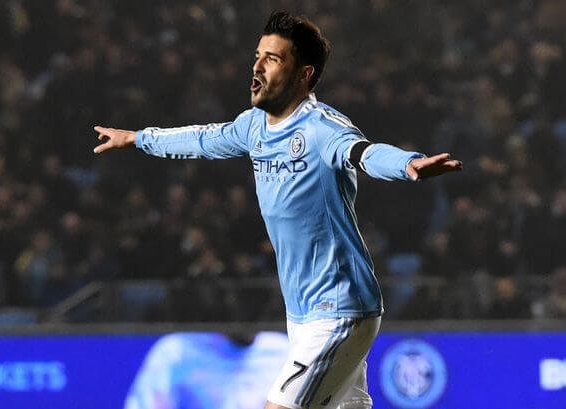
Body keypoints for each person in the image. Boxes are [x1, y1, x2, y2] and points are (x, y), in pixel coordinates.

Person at [93, 11, 462, 409]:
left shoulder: (322, 128)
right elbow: (201, 138)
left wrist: (408, 164)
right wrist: (137, 138)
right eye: (258, 56)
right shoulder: (253, 127)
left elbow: (363, 153)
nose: (257, 66)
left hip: (338, 307)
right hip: (302, 313)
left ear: (303, 74)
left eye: (272, 58)